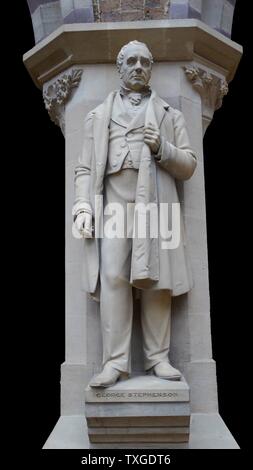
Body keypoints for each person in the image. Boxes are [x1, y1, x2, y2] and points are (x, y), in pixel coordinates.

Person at [72, 41, 197, 387]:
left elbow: (188, 165)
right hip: (114, 205)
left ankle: (158, 359)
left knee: (156, 279)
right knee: (113, 276)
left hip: (157, 206)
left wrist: (162, 148)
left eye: (144, 61)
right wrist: (82, 206)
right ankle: (115, 362)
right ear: (120, 68)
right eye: (131, 61)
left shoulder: (170, 115)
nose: (138, 66)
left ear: (151, 68)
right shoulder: (98, 116)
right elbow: (83, 168)